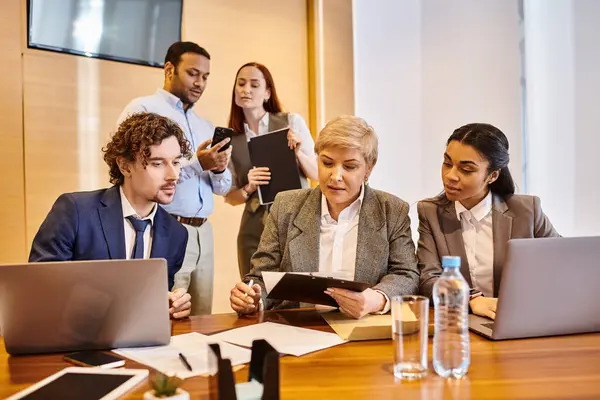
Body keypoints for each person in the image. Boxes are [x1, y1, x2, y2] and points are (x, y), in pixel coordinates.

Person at [229, 115, 419, 319]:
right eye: (327, 163)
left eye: (349, 167)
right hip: (300, 328)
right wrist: (252, 298)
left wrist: (377, 298)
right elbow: (261, 277)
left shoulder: (392, 210)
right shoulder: (285, 206)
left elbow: (406, 274)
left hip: (364, 329)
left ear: (368, 168)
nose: (336, 176)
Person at [29, 112, 193, 319]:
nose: (173, 175)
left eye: (176, 162)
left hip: (142, 345)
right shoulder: (75, 210)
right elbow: (39, 287)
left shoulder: (177, 234)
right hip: (75, 340)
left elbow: (152, 305)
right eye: (157, 163)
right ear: (125, 166)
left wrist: (171, 305)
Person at [117, 42, 232, 315]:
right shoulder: (143, 108)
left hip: (205, 232)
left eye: (205, 77)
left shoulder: (206, 125)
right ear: (169, 69)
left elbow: (224, 187)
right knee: (168, 314)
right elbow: (139, 173)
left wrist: (217, 168)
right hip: (167, 226)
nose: (200, 83)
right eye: (193, 73)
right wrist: (198, 164)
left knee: (202, 317)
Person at [417, 123, 559, 320]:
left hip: (520, 320)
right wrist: (471, 299)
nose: (450, 176)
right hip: (461, 322)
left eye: (466, 169)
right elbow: (427, 279)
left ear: (492, 175)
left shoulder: (527, 211)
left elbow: (561, 263)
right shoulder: (430, 212)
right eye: (447, 163)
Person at [224, 62, 318, 278]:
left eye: (254, 85)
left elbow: (316, 174)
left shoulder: (291, 122)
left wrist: (299, 153)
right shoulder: (231, 140)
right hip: (253, 227)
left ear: (267, 93)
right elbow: (231, 198)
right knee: (254, 293)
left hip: (294, 220)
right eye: (241, 83)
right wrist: (249, 187)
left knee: (296, 291)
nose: (246, 89)